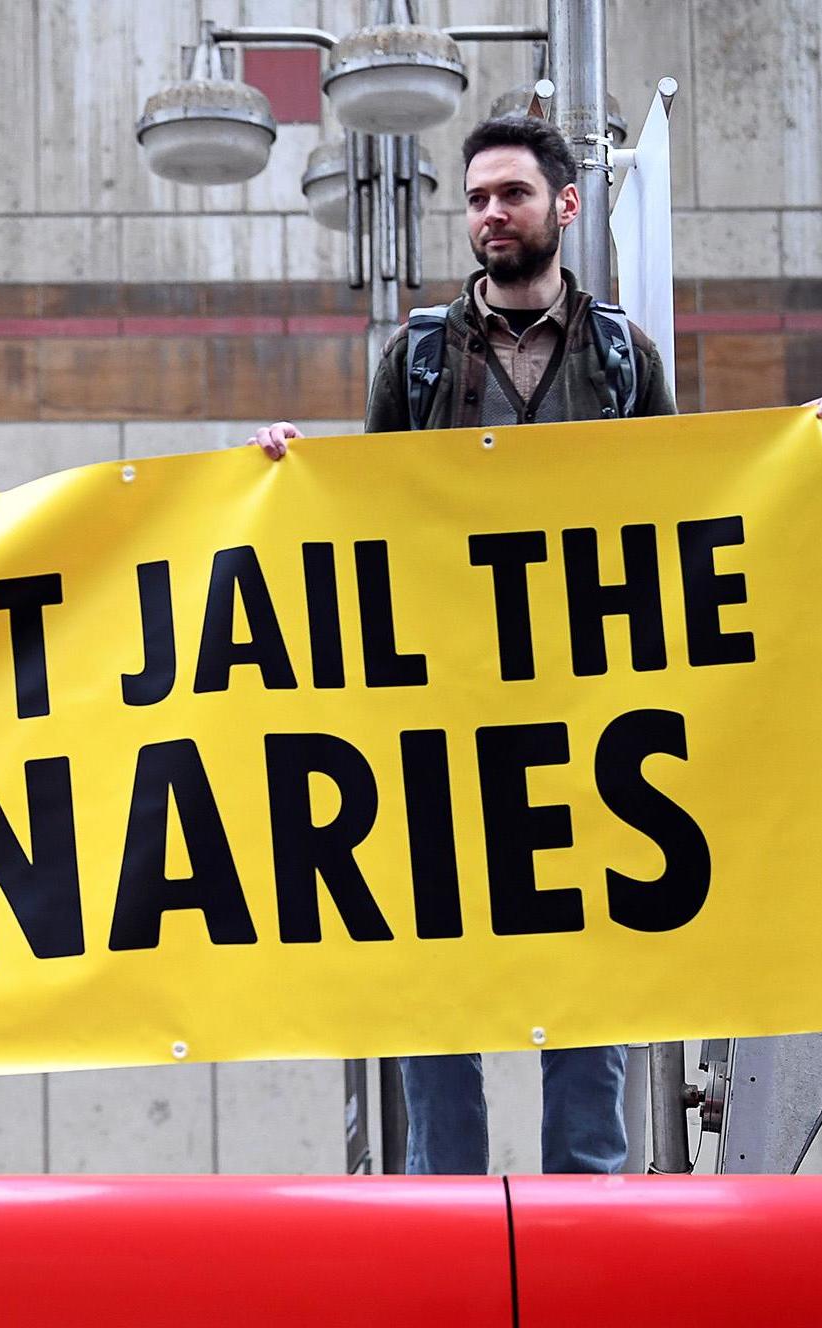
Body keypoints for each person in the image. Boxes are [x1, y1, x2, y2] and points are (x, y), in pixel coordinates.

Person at [251, 116, 675, 1176]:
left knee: (585, 977)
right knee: (437, 968)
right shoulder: (420, 356)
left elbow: (682, 506)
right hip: (443, 719)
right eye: (477, 197)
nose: (489, 213)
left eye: (512, 195)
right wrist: (292, 473)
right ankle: (447, 1221)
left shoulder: (622, 357)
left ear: (563, 208)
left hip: (585, 713)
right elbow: (373, 520)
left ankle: (585, 1227)